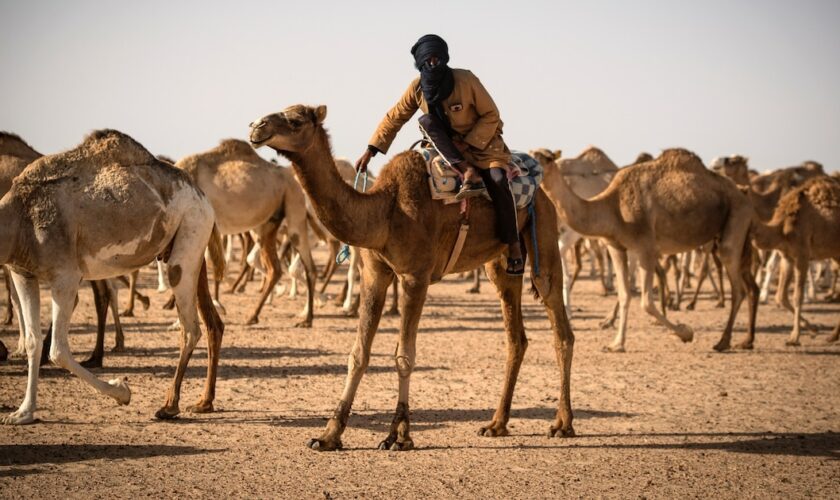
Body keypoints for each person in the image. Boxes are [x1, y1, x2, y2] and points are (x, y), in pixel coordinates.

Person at [355, 34, 525, 275]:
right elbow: (395, 117)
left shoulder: (466, 80)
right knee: (426, 121)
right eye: (428, 60)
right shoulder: (417, 88)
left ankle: (514, 244)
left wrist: (468, 143)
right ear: (421, 64)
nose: (433, 64)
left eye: (437, 59)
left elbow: (491, 115)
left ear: (445, 59)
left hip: (483, 145)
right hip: (446, 149)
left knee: (498, 181)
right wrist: (371, 150)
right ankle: (464, 171)